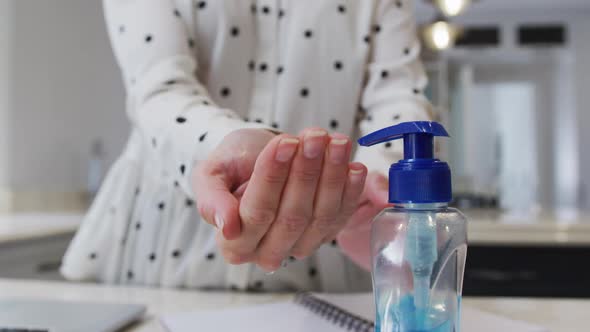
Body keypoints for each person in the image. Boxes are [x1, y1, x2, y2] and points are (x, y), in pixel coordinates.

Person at [61, 0, 432, 292]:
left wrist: (378, 182)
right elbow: (159, 88)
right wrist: (226, 150)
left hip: (325, 241)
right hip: (158, 254)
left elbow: (398, 97)